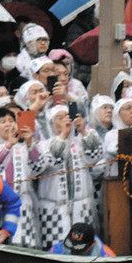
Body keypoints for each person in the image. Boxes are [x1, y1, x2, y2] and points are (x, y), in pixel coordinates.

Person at [37, 105, 103, 248]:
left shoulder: (81, 140)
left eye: (67, 117)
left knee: (85, 246)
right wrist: (63, 136)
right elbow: (53, 161)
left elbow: (95, 157)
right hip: (55, 208)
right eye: (59, 118)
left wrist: (83, 130)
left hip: (82, 205)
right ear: (51, 124)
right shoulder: (44, 145)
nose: (65, 121)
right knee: (56, 247)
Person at [0, 106, 46, 249]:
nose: (8, 124)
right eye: (3, 121)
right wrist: (8, 144)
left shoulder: (25, 147)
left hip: (24, 202)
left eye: (11, 120)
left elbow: (38, 168)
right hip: (1, 205)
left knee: (26, 243)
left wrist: (29, 143)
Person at [50, 221, 115, 257]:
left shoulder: (107, 257)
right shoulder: (56, 250)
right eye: (71, 245)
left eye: (79, 250)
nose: (74, 251)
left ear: (93, 243)